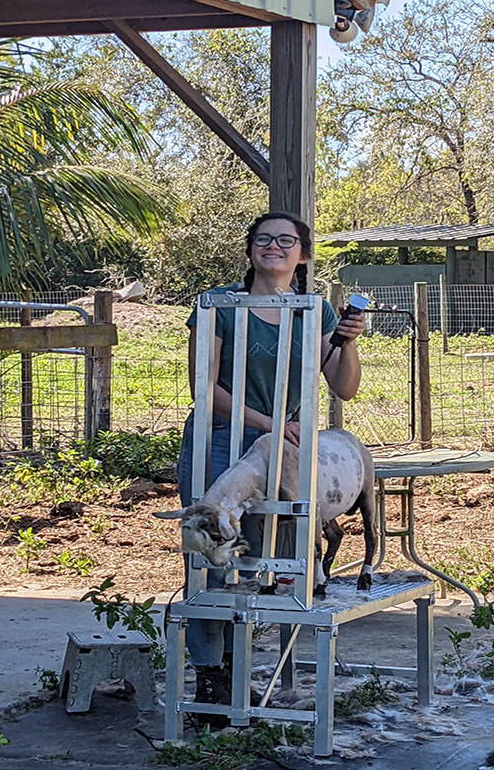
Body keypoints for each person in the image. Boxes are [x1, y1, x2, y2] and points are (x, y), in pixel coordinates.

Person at [175, 211, 366, 726]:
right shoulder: (219, 306)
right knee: (213, 554)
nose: (275, 247)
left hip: (281, 451)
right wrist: (268, 422)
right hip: (221, 441)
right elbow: (203, 386)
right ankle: (209, 678)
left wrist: (348, 340)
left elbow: (344, 387)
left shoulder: (315, 312)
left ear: (302, 254)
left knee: (264, 560)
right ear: (251, 249)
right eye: (264, 239)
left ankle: (239, 670)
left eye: (287, 241)